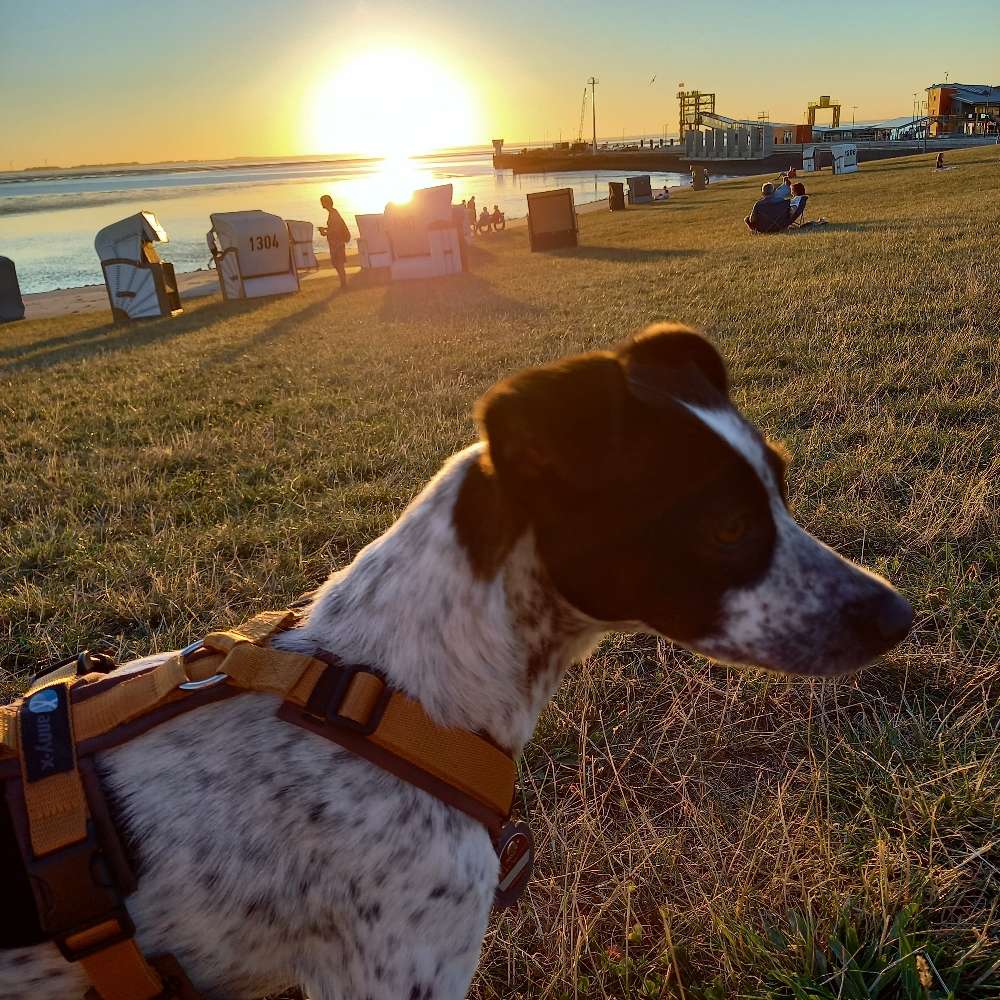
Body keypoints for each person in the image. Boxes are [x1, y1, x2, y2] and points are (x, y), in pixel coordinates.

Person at [319, 194, 350, 290]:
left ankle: (344, 283)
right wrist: (325, 229)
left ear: (326, 202)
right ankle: (343, 282)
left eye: (322, 202)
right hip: (335, 242)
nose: (321, 204)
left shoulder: (333, 213)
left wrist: (325, 233)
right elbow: (334, 227)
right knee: (336, 263)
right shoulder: (332, 212)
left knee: (338, 263)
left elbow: (335, 229)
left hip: (337, 242)